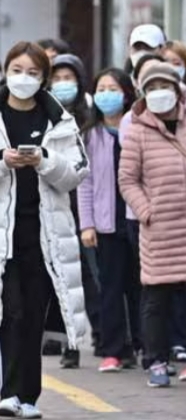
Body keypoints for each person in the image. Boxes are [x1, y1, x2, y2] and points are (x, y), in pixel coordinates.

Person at [118, 63, 186, 389]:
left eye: (164, 86)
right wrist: (146, 211)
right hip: (161, 228)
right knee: (157, 297)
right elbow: (127, 179)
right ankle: (156, 359)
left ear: (178, 90)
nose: (159, 93)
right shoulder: (138, 130)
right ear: (143, 94)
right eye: (151, 88)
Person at [0, 41, 89, 419]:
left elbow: (77, 172)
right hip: (4, 237)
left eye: (33, 73)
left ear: (43, 78)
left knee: (34, 315)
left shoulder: (59, 119)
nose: (24, 78)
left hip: (44, 235)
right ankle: (8, 392)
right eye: (17, 70)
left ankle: (27, 397)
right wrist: (3, 161)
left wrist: (44, 160)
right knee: (12, 312)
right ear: (6, 71)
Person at [79, 68, 142, 374]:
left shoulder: (139, 128)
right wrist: (87, 224)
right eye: (101, 89)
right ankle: (113, 349)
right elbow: (85, 182)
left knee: (140, 287)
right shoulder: (91, 135)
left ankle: (144, 345)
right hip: (106, 223)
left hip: (138, 219)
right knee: (111, 287)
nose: (106, 94)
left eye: (113, 88)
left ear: (127, 94)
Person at [47, 53, 101, 369]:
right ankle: (69, 343)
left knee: (91, 277)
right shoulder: (44, 114)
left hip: (85, 208)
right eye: (57, 78)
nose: (62, 84)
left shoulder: (89, 118)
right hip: (53, 205)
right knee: (61, 278)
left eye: (68, 78)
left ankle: (102, 334)